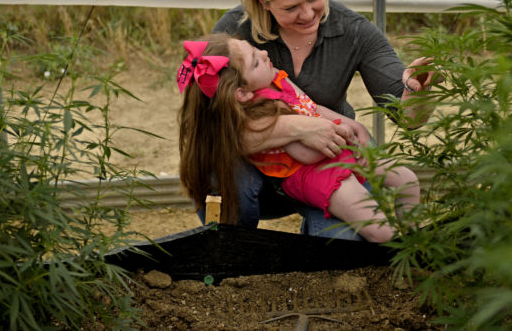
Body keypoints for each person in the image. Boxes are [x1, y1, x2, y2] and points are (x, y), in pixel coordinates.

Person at [210, 0, 438, 237]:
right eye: (291, 7)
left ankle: (397, 242)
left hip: (328, 162)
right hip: (260, 166)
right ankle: (229, 250)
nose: (307, 14)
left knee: (340, 249)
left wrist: (416, 91)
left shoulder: (354, 30)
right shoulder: (234, 37)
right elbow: (210, 127)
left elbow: (407, 116)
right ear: (264, 2)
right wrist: (299, 129)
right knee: (223, 177)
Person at [177, 35, 420, 242]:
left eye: (255, 50)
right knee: (377, 227)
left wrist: (348, 125)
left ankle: (415, 234)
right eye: (255, 62)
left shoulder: (277, 80)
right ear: (242, 92)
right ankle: (396, 254)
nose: (263, 53)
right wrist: (328, 132)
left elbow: (310, 107)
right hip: (321, 174)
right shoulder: (260, 114)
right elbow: (309, 154)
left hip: (338, 152)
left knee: (407, 179)